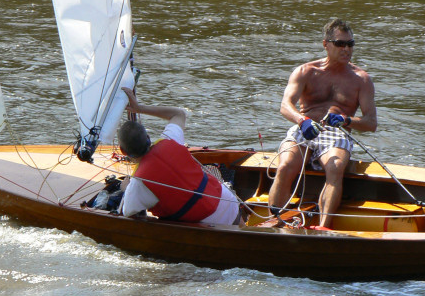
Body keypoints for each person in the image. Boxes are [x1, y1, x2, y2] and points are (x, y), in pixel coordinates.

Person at [268, 18, 377, 228]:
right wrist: (302, 120)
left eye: (350, 44)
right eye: (340, 44)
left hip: (335, 133)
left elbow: (371, 122)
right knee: (285, 166)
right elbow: (285, 105)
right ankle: (274, 221)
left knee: (335, 167)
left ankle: (323, 226)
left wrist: (346, 120)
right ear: (326, 44)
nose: (346, 49)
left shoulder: (361, 79)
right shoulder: (306, 71)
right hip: (305, 126)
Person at [116, 87, 241, 225]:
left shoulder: (139, 184)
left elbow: (127, 213)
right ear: (148, 137)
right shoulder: (170, 139)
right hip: (227, 202)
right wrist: (139, 108)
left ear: (123, 151)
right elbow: (178, 114)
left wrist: (125, 188)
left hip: (207, 222)